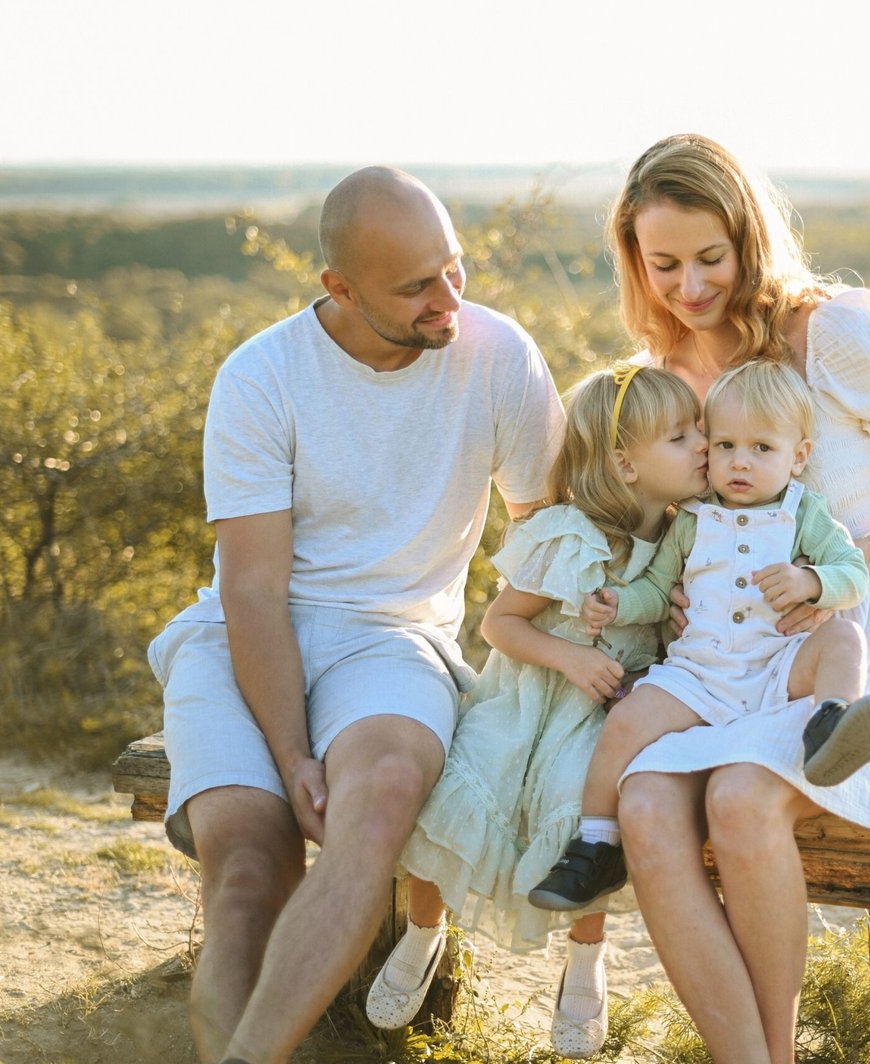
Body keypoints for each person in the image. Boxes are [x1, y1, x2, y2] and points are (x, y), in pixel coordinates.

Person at [144, 166, 565, 1064]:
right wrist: (292, 754)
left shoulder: (500, 358)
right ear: (339, 287)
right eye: (415, 285)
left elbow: (548, 528)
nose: (447, 299)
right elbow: (252, 588)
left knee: (372, 811)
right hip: (243, 635)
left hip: (395, 642)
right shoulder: (261, 377)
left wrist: (534, 677)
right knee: (249, 873)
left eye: (454, 269)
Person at [603, 133, 870, 1063]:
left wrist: (830, 569)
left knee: (740, 799)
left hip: (844, 643)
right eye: (664, 266)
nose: (690, 286)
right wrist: (685, 599)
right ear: (635, 262)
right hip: (721, 661)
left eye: (710, 258)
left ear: (748, 238)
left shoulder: (833, 335)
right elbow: (674, 534)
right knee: (645, 805)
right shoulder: (662, 377)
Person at [364, 364, 707, 1058]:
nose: (704, 443)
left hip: (599, 720)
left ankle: (586, 962)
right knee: (462, 789)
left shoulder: (687, 538)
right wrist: (571, 657)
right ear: (624, 463)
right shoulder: (565, 534)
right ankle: (423, 932)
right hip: (523, 701)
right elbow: (500, 626)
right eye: (682, 435)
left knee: (585, 812)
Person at [527, 359, 870, 913]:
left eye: (761, 449)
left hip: (778, 665)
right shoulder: (692, 518)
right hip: (700, 673)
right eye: (724, 445)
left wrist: (810, 581)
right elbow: (658, 589)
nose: (739, 462)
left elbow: (851, 574)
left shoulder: (805, 513)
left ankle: (831, 723)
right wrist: (619, 603)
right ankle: (595, 846)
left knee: (844, 642)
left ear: (799, 457)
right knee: (626, 720)